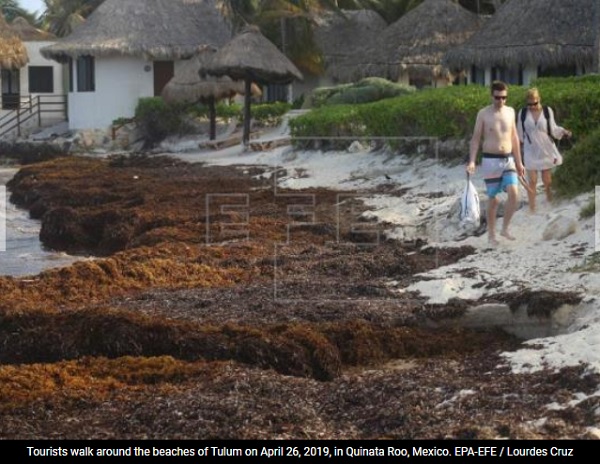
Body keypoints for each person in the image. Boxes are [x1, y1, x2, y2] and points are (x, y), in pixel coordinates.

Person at [466, 81, 524, 246]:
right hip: (490, 160)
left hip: (508, 159)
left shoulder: (511, 111)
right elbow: (476, 139)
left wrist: (519, 163)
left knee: (514, 194)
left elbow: (514, 138)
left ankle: (504, 228)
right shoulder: (483, 114)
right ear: (492, 96)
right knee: (494, 200)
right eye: (498, 98)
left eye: (504, 97)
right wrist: (472, 161)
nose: (501, 101)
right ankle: (491, 235)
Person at [516, 87, 572, 213]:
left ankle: (549, 202)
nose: (532, 106)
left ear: (539, 99)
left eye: (534, 103)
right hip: (530, 150)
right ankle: (532, 208)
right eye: (529, 104)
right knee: (532, 181)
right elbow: (519, 133)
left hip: (545, 148)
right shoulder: (523, 113)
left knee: (547, 181)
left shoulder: (547, 111)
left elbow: (553, 128)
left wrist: (563, 132)